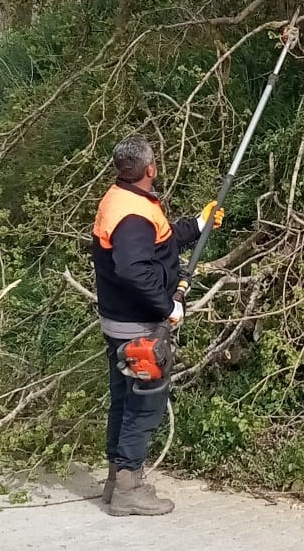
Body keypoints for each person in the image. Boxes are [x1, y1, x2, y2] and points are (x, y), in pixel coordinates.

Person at [91, 135, 223, 516]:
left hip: (119, 320)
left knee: (123, 398)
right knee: (144, 403)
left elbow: (158, 245)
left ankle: (117, 479)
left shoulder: (121, 200)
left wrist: (197, 224)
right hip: (137, 327)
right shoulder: (131, 215)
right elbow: (133, 267)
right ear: (150, 169)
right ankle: (129, 486)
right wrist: (167, 306)